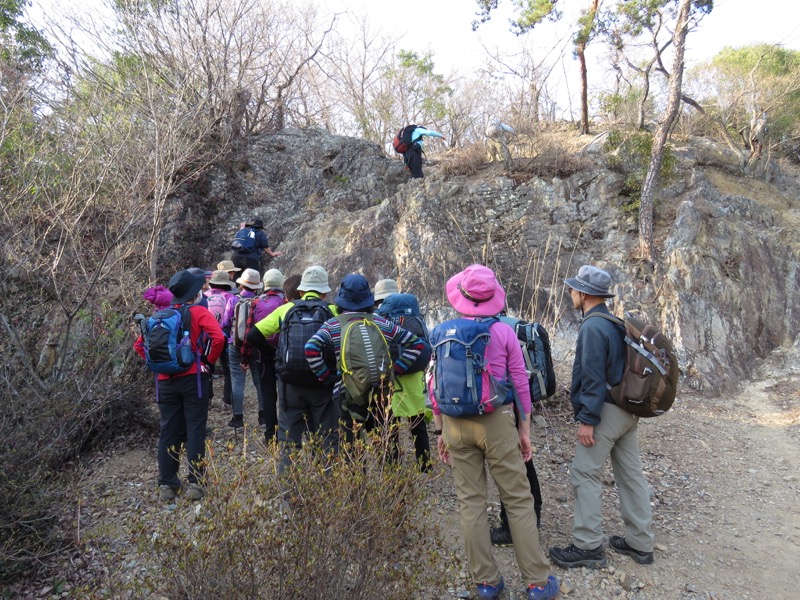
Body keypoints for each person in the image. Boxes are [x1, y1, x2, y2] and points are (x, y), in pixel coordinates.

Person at [430, 264, 559, 600]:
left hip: (456, 423)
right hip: (497, 420)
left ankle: (486, 583)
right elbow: (520, 383)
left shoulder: (441, 332)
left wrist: (440, 430)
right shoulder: (504, 332)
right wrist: (524, 429)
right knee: (517, 499)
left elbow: (433, 387)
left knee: (470, 503)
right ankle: (537, 582)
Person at [548, 265, 654, 569]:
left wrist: (587, 419)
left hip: (604, 412)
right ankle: (640, 543)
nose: (570, 294)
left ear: (584, 293)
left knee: (584, 472)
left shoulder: (593, 326)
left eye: (573, 290)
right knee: (630, 475)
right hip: (626, 411)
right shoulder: (614, 322)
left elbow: (593, 376)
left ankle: (587, 545)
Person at [305, 274, 426, 463]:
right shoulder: (380, 322)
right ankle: (392, 485)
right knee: (386, 444)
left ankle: (358, 490)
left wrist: (327, 377)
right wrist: (396, 370)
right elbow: (416, 345)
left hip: (346, 393)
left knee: (351, 448)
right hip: (381, 390)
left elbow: (311, 349)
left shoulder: (332, 325)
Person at [134, 269, 225, 501]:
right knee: (195, 430)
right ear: (194, 294)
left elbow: (139, 346)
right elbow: (218, 338)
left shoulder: (159, 316)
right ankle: (195, 483)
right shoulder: (196, 312)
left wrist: (161, 365)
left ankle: (167, 485)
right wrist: (206, 361)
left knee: (168, 431)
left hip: (165, 383)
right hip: (193, 380)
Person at [246, 265, 338, 472]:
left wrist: (275, 355)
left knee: (289, 440)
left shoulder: (285, 310)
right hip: (323, 382)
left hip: (290, 384)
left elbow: (253, 335)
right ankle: (328, 491)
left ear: (302, 290)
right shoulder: (333, 311)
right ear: (324, 292)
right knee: (327, 437)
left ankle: (289, 494)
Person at [374, 278, 432, 472]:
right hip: (414, 374)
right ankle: (425, 465)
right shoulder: (413, 313)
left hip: (390, 376)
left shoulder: (378, 317)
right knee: (417, 420)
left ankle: (393, 466)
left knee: (390, 421)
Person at [227, 268, 265, 432]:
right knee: (259, 380)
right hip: (256, 344)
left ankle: (238, 419)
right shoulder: (260, 301)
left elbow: (226, 323)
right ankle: (263, 417)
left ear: (241, 284)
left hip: (235, 343)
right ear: (256, 287)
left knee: (237, 381)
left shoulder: (233, 300)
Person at [252, 268, 287, 440]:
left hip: (262, 352)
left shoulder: (256, 301)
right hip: (282, 352)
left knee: (267, 392)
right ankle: (287, 428)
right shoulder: (285, 302)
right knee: (285, 390)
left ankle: (270, 433)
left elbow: (251, 331)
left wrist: (246, 355)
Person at [205, 270, 238, 408]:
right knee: (228, 369)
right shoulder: (231, 297)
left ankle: (207, 398)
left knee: (207, 366)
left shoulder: (204, 296)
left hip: (207, 337)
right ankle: (227, 400)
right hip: (225, 336)